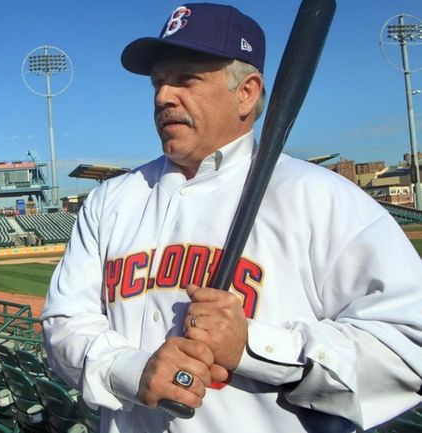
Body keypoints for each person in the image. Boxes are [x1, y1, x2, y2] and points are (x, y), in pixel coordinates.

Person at [40, 4, 422, 433]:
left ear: (247, 92)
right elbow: (63, 323)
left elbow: (409, 345)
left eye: (186, 78)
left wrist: (256, 347)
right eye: (158, 82)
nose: (163, 96)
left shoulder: (322, 199)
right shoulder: (109, 201)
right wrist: (130, 370)